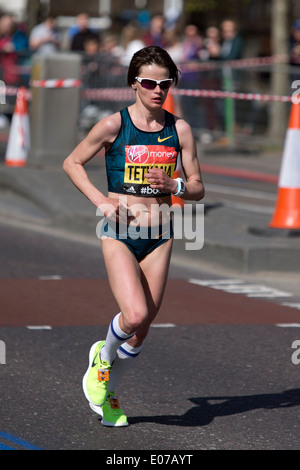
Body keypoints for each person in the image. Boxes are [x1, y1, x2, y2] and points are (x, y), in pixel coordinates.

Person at [63, 46, 204, 427]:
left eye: (164, 83)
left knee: (141, 331)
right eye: (148, 82)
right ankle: (102, 359)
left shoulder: (180, 129)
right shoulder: (113, 125)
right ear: (133, 84)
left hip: (161, 235)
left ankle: (108, 396)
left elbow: (196, 187)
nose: (157, 90)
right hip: (120, 232)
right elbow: (72, 162)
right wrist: (101, 201)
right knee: (135, 313)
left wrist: (175, 183)